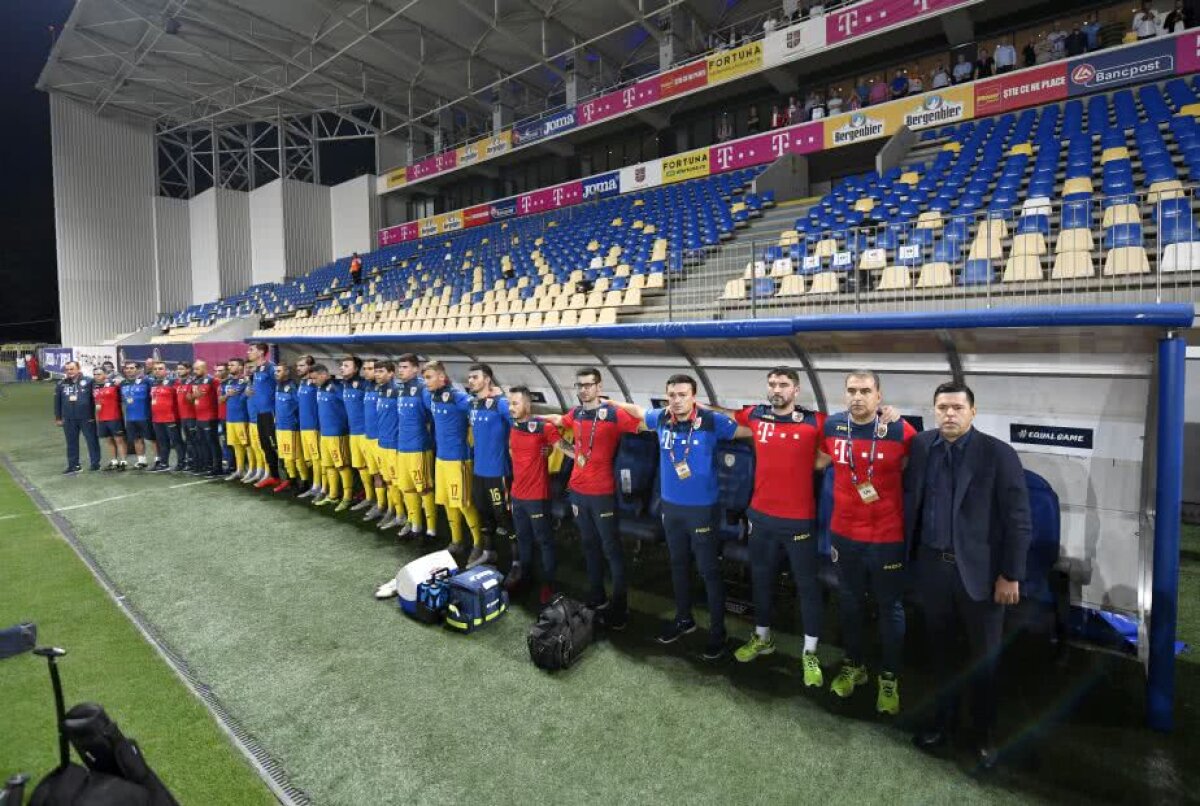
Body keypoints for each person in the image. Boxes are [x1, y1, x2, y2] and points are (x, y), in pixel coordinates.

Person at [907, 382, 1032, 771]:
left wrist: (1010, 574)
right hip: (932, 569)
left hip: (980, 575)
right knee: (941, 655)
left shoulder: (997, 454)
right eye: (942, 406)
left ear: (972, 412)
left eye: (957, 407)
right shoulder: (922, 447)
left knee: (983, 659)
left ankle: (983, 736)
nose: (949, 413)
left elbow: (1018, 520)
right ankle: (943, 723)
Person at [610, 375, 738, 660]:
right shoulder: (662, 418)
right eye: (671, 395)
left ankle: (718, 632)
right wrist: (610, 402)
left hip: (702, 509)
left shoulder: (710, 421)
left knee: (708, 571)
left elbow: (747, 430)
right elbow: (637, 411)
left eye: (682, 394)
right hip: (671, 508)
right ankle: (684, 619)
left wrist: (713, 409)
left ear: (693, 396)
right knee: (677, 564)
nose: (676, 400)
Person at [819, 371, 916, 716]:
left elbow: (912, 468)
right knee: (848, 603)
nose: (857, 397)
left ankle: (888, 677)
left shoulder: (899, 430)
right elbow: (817, 459)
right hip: (844, 535)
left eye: (865, 391)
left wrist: (897, 416)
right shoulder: (831, 427)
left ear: (879, 395)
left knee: (890, 608)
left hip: (886, 537)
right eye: (851, 391)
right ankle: (854, 665)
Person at [545, 368, 642, 630]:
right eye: (580, 385)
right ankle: (597, 595)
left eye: (589, 385)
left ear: (599, 387)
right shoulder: (576, 413)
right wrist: (550, 432)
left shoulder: (612, 414)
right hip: (577, 491)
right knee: (588, 545)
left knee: (611, 549)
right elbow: (559, 423)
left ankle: (620, 605)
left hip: (602, 493)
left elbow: (643, 423)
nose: (584, 389)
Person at [504, 385, 561, 604]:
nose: (511, 407)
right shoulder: (514, 426)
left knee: (544, 541)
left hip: (537, 497)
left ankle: (550, 584)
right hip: (518, 495)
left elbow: (558, 444)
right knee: (523, 539)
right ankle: (526, 577)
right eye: (509, 403)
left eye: (515, 403)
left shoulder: (542, 427)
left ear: (528, 404)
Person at [424, 360, 484, 560]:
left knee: (464, 503)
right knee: (448, 502)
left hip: (458, 459)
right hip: (441, 458)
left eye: (429, 377)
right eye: (424, 378)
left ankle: (478, 544)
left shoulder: (458, 397)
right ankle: (456, 541)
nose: (426, 382)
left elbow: (476, 410)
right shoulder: (432, 397)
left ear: (442, 376)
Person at [467, 363, 510, 568]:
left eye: (475, 377)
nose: (471, 381)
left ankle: (516, 561)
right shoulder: (474, 404)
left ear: (487, 380)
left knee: (504, 517)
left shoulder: (501, 404)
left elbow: (518, 425)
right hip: (478, 472)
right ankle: (488, 552)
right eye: (469, 378)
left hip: (497, 473)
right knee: (484, 515)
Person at [391, 353, 439, 537]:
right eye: (399, 367)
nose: (400, 370)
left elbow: (434, 416)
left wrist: (430, 438)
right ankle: (416, 526)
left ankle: (432, 529)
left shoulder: (423, 389)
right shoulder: (401, 388)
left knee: (424, 488)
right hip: (402, 447)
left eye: (404, 367)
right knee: (407, 488)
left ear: (415, 369)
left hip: (419, 447)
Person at [311, 364, 355, 511]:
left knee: (342, 466)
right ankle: (333, 495)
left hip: (337, 433)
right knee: (329, 466)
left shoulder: (337, 387)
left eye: (315, 378)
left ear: (324, 374)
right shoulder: (320, 387)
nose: (313, 381)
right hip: (324, 433)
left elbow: (349, 407)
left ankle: (348, 497)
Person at [54, 361, 101, 474]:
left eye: (72, 369)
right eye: (67, 369)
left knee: (92, 441)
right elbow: (57, 402)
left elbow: (96, 399)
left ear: (78, 369)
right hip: (68, 418)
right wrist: (58, 417)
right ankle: (74, 465)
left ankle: (95, 464)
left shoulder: (89, 381)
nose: (69, 371)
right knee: (71, 442)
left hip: (86, 417)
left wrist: (94, 415)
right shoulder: (61, 384)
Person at [371, 361, 402, 529]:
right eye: (376, 372)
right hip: (382, 443)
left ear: (391, 373)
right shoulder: (380, 390)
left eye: (381, 371)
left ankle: (406, 517)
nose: (377, 374)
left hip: (394, 444)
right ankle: (394, 511)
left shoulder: (397, 390)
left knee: (399, 483)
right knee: (388, 481)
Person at [245, 343, 281, 489]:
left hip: (270, 413)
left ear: (261, 352)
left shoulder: (270, 367)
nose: (248, 352)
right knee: (266, 446)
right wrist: (250, 390)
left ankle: (291, 479)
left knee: (276, 446)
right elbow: (256, 388)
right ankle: (274, 477)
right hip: (260, 414)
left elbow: (280, 385)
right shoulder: (257, 370)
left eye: (251, 350)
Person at [340, 357, 373, 511]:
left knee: (374, 469)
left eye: (346, 366)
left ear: (355, 369)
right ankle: (368, 496)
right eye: (341, 365)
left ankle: (380, 502)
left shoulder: (365, 385)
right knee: (360, 467)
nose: (341, 368)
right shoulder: (344, 384)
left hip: (366, 433)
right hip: (353, 433)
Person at [360, 359, 388, 521]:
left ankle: (394, 510)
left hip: (382, 440)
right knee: (376, 475)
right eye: (366, 369)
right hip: (368, 437)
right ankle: (380, 505)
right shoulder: (367, 387)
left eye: (372, 369)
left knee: (388, 478)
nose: (368, 372)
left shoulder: (387, 390)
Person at [296, 355, 324, 498]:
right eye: (298, 366)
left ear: (310, 367)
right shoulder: (302, 383)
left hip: (314, 427)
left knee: (317, 458)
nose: (298, 368)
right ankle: (315, 485)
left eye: (301, 366)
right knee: (310, 459)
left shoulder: (315, 385)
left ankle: (320, 487)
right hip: (303, 426)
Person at [190, 360, 222, 477]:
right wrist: (194, 396)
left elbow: (220, 395)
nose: (195, 371)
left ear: (204, 368)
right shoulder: (195, 381)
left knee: (212, 443)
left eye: (197, 369)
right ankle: (207, 465)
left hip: (210, 417)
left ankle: (217, 467)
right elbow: (189, 398)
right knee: (202, 442)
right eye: (194, 369)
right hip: (199, 417)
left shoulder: (213, 380)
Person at [221, 358, 252, 483]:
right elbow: (220, 400)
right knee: (235, 445)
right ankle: (239, 470)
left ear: (241, 367)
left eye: (232, 365)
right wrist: (227, 395)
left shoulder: (246, 381)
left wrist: (245, 392)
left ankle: (251, 470)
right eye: (229, 365)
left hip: (242, 418)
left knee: (247, 445)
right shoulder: (227, 381)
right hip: (230, 418)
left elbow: (249, 396)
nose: (229, 367)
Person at [273, 363, 303, 491]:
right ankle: (291, 480)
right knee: (285, 456)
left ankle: (304, 482)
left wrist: (295, 420)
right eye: (275, 371)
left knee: (296, 456)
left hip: (291, 427)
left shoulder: (293, 386)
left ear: (286, 372)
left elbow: (299, 405)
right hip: (280, 427)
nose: (276, 373)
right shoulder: (278, 385)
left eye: (279, 371)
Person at [149, 362, 183, 472]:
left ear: (166, 370)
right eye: (155, 369)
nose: (157, 370)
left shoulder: (174, 382)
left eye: (160, 368)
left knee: (176, 441)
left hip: (171, 417)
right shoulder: (153, 383)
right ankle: (164, 463)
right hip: (157, 418)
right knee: (162, 441)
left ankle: (182, 462)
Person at [92, 367, 127, 471]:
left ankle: (123, 462)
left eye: (99, 374)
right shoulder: (94, 386)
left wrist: (119, 381)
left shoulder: (114, 385)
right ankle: (114, 461)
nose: (96, 376)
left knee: (119, 440)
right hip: (102, 418)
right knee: (108, 440)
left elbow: (125, 382)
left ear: (105, 375)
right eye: (95, 374)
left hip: (114, 417)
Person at [120, 361, 153, 469]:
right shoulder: (123, 383)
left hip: (145, 415)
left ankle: (159, 460)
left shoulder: (146, 381)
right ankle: (142, 461)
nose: (129, 370)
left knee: (153, 439)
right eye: (127, 368)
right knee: (137, 439)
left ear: (138, 369)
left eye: (131, 368)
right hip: (130, 417)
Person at [173, 362, 197, 472]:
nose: (179, 371)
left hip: (192, 416)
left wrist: (191, 398)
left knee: (194, 440)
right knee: (188, 440)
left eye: (182, 369)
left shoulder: (193, 382)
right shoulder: (178, 383)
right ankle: (190, 460)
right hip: (183, 416)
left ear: (188, 370)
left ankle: (196, 462)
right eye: (178, 369)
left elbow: (196, 398)